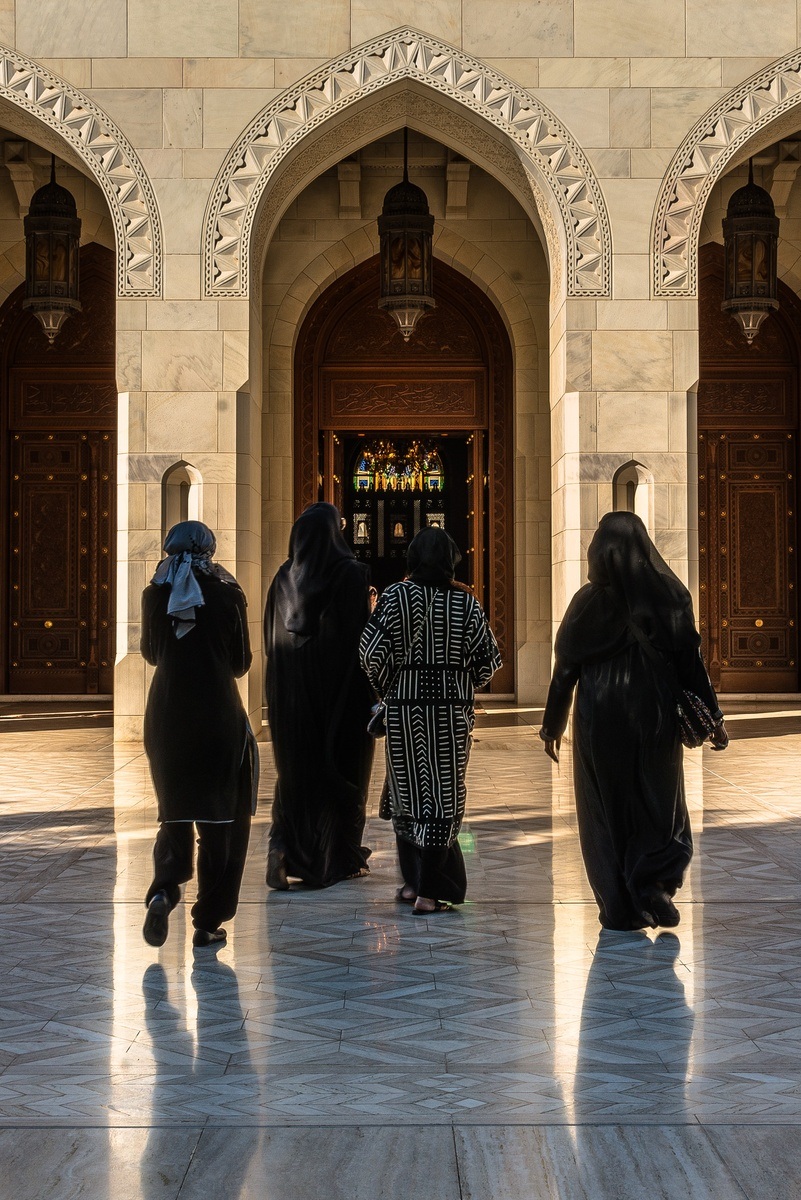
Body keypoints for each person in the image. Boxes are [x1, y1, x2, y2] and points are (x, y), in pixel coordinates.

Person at [540, 511, 728, 932]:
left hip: (598, 721)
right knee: (659, 800)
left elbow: (565, 669)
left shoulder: (586, 603)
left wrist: (552, 726)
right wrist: (713, 717)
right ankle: (655, 883)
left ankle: (619, 908)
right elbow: (690, 664)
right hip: (654, 717)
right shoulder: (669, 596)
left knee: (604, 808)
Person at [360, 527, 501, 914]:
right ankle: (429, 891)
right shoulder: (466, 604)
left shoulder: (394, 597)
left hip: (405, 711)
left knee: (407, 793)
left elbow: (370, 654)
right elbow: (489, 663)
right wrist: (458, 680)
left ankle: (412, 883)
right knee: (444, 795)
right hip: (451, 713)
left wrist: (393, 688)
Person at [141, 521, 256, 949]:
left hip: (167, 719)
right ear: (210, 549)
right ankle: (208, 922)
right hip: (217, 720)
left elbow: (152, 654)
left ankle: (163, 891)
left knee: (174, 816)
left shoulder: (155, 592)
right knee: (219, 824)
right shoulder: (228, 594)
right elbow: (241, 663)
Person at [264, 502, 374, 889]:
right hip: (339, 697)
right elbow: (362, 643)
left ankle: (283, 846)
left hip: (289, 698)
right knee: (340, 771)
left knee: (296, 773)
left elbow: (269, 640)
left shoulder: (280, 579)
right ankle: (332, 861)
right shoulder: (350, 575)